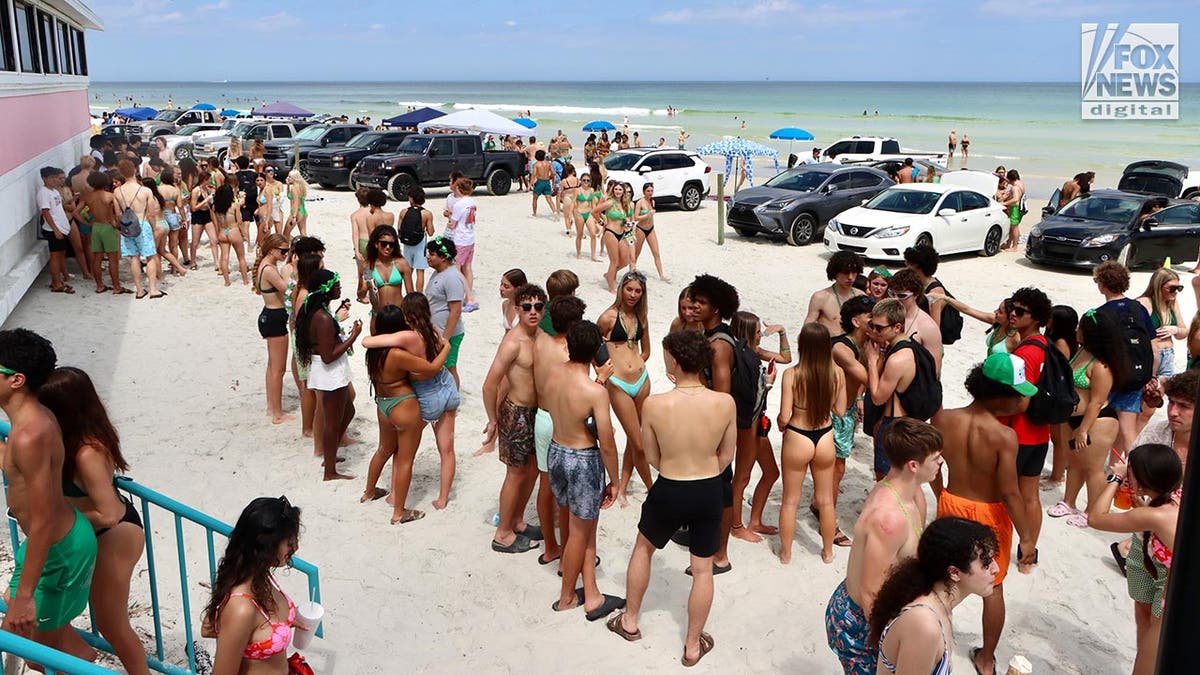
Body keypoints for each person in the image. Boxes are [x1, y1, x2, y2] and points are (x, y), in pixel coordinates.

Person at [606, 330, 735, 666]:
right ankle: (692, 645)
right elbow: (726, 455)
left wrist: (674, 469)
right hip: (709, 487)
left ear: (676, 361)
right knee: (703, 570)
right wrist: (704, 470)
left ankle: (630, 620)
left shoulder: (655, 404)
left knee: (644, 548)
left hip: (671, 484)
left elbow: (649, 455)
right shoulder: (724, 403)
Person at [38, 367, 149, 675]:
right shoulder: (71, 439)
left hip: (114, 533)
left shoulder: (88, 452)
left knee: (113, 623)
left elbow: (109, 512)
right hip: (90, 532)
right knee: (61, 615)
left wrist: (56, 518)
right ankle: (77, 657)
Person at [932, 355, 1039, 675]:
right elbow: (1009, 492)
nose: (1023, 400)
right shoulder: (1003, 437)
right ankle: (986, 659)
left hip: (951, 503)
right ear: (1000, 395)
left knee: (942, 582)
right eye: (1018, 393)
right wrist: (1028, 538)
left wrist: (940, 495)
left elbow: (933, 463)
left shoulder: (943, 418)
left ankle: (935, 644)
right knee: (993, 589)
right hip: (989, 514)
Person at [0, 330, 98, 663]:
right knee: (54, 647)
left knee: (22, 645)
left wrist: (26, 596)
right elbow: (17, 468)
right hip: (56, 542)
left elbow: (42, 520)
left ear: (16, 380)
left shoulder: (30, 434)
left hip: (58, 551)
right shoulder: (29, 419)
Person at [826, 419, 943, 675]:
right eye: (935, 458)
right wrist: (891, 645)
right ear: (913, 465)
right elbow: (870, 593)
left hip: (887, 605)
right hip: (859, 621)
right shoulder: (887, 519)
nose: (941, 462)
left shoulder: (914, 494)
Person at [545, 321, 623, 622]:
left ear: (568, 346)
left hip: (557, 450)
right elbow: (607, 441)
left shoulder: (553, 374)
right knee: (580, 531)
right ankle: (567, 597)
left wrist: (598, 382)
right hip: (582, 459)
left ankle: (591, 593)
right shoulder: (594, 392)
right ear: (595, 354)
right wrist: (615, 481)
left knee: (585, 527)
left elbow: (566, 405)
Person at [1086, 444, 1180, 675]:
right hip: (1167, 580)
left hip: (1172, 593)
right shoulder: (1176, 497)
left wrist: (1116, 477)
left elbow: (1095, 518)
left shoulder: (1154, 516)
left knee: (1149, 659)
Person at [868, 517, 1000, 675]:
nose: (996, 569)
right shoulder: (924, 626)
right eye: (986, 564)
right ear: (954, 573)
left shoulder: (940, 606)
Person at [361, 305, 451, 523]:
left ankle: (369, 492)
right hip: (404, 405)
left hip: (383, 404)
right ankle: (399, 513)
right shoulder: (397, 354)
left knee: (383, 449)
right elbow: (431, 368)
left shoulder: (373, 352)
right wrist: (446, 348)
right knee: (405, 460)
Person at [201, 497, 305, 675]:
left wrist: (283, 624)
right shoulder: (241, 608)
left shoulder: (261, 576)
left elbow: (210, 626)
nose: (295, 547)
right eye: (289, 542)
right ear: (267, 545)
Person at [481, 284, 548, 552]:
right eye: (528, 307)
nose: (533, 312)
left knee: (531, 470)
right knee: (515, 474)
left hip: (536, 412)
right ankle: (503, 533)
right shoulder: (513, 342)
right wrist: (492, 420)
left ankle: (517, 520)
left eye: (538, 306)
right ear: (517, 309)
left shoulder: (541, 336)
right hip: (516, 413)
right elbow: (489, 384)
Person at [1110, 369, 1196, 574]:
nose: (1173, 411)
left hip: (1182, 544)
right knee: (1140, 603)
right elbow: (1134, 471)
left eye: (1184, 406)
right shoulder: (1157, 431)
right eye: (1172, 402)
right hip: (1145, 536)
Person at [1046, 309, 1126, 527]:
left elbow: (1096, 401)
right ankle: (1069, 502)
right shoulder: (1081, 352)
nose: (1077, 331)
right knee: (1073, 463)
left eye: (1081, 328)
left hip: (1097, 421)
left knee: (1093, 468)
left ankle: (1093, 511)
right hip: (1071, 418)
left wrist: (1083, 429)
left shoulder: (1101, 366)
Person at [778, 323, 846, 564]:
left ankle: (786, 554)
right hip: (824, 435)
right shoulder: (837, 373)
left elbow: (785, 417)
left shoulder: (792, 374)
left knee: (790, 500)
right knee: (826, 500)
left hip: (798, 434)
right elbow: (839, 410)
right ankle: (827, 552)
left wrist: (779, 421)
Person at [532, 295, 590, 568]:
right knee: (567, 494)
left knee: (545, 486)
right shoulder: (566, 352)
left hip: (541, 416)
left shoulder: (540, 340)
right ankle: (568, 552)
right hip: (560, 420)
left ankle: (550, 547)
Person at [690, 274, 740, 574]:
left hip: (717, 428)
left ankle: (720, 554)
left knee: (721, 491)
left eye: (702, 302)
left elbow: (722, 395)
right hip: (706, 423)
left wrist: (717, 437)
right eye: (695, 299)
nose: (695, 305)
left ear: (717, 309)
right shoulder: (708, 336)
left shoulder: (719, 345)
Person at [295, 269, 360, 481]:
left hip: (331, 371)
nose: (339, 288)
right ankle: (330, 471)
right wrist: (352, 337)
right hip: (329, 373)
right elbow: (328, 356)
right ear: (325, 289)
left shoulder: (319, 310)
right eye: (336, 285)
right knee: (332, 422)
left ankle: (330, 453)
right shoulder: (322, 317)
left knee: (348, 410)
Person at [597, 272, 654, 507]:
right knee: (639, 442)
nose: (633, 295)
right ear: (621, 289)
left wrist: (637, 363)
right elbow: (595, 349)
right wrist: (606, 373)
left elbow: (647, 350)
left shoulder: (642, 317)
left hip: (642, 380)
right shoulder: (608, 317)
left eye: (637, 291)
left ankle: (623, 483)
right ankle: (653, 490)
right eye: (629, 289)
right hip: (618, 383)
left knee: (635, 437)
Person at [732, 311, 788, 538]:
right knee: (742, 477)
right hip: (747, 423)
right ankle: (736, 526)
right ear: (747, 333)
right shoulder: (742, 357)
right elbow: (746, 392)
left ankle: (755, 521)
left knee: (771, 472)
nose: (761, 335)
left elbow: (786, 358)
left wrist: (782, 332)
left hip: (757, 421)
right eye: (757, 332)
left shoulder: (754, 352)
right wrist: (769, 383)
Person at [1094, 261, 1157, 459]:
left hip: (1112, 378)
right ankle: (1126, 473)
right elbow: (1153, 346)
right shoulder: (1138, 308)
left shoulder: (1100, 314)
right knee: (1128, 431)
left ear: (1102, 285)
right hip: (1136, 377)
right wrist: (1151, 375)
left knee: (1098, 427)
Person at [828, 296, 875, 539]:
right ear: (856, 321)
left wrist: (857, 401)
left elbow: (858, 384)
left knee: (836, 469)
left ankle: (821, 507)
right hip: (832, 415)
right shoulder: (842, 348)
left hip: (847, 413)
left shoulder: (862, 345)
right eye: (871, 318)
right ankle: (829, 522)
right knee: (835, 469)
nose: (876, 322)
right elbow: (867, 378)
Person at [865, 299, 921, 479]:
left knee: (887, 482)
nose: (874, 331)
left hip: (894, 424)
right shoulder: (910, 348)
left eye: (879, 328)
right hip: (905, 422)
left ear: (897, 327)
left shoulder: (898, 359)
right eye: (872, 326)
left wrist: (872, 363)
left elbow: (877, 397)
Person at [253, 234, 294, 425]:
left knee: (271, 367)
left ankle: (271, 407)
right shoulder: (269, 269)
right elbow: (286, 289)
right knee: (278, 369)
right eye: (283, 251)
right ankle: (277, 413)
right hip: (275, 317)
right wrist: (289, 272)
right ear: (272, 250)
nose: (286, 255)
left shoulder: (265, 265)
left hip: (268, 316)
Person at [1137, 268, 1185, 428]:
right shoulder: (1145, 303)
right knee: (1135, 408)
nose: (1176, 292)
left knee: (1149, 409)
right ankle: (1125, 448)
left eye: (1179, 288)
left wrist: (1175, 329)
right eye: (1172, 288)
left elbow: (1184, 331)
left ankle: (1132, 448)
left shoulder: (1172, 303)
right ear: (1158, 286)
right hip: (1150, 358)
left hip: (1167, 358)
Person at [114, 159, 164, 298]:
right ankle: (153, 289)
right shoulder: (145, 190)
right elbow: (151, 213)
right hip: (143, 224)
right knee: (150, 257)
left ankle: (140, 290)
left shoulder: (117, 191)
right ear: (135, 170)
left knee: (134, 258)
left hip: (128, 227)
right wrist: (153, 227)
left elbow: (118, 213)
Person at [423, 237, 467, 387]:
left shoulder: (452, 277)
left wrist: (445, 339)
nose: (428, 256)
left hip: (448, 333)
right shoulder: (439, 273)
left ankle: (453, 396)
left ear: (443, 257)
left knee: (449, 366)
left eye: (432, 254)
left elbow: (455, 311)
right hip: (437, 331)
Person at [886, 268, 942, 373]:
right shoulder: (884, 315)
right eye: (892, 294)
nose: (895, 299)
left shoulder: (928, 327)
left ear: (916, 295)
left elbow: (934, 370)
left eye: (902, 296)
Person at [82, 170, 128, 294]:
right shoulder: (109, 196)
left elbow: (77, 212)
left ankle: (99, 285)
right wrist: (117, 224)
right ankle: (116, 287)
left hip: (96, 226)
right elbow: (118, 214)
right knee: (113, 259)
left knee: (97, 258)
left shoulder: (88, 197)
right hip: (108, 227)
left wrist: (88, 223)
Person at [804, 251, 865, 336]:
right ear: (835, 272)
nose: (850, 277)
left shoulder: (861, 296)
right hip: (829, 345)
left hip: (854, 346)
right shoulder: (820, 298)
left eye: (854, 272)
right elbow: (807, 329)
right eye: (845, 272)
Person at [365, 225, 414, 330]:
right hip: (378, 315)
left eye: (391, 244)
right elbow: (360, 294)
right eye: (384, 244)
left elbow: (410, 294)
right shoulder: (368, 266)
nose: (388, 247)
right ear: (376, 244)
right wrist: (367, 286)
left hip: (398, 314)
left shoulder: (402, 263)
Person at [38, 167, 76, 293]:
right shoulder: (44, 193)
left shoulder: (54, 191)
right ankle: (56, 284)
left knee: (61, 255)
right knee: (55, 256)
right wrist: (56, 230)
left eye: (56, 177)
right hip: (54, 230)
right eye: (52, 178)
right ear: (44, 179)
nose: (55, 180)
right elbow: (46, 212)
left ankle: (58, 280)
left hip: (62, 228)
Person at [445, 177, 479, 312]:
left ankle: (469, 298)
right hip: (470, 237)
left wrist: (449, 219)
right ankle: (468, 296)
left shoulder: (459, 204)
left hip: (461, 239)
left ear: (459, 188)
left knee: (457, 269)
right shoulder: (472, 202)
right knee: (468, 268)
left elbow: (452, 224)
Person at [595, 182, 635, 294]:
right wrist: (601, 222)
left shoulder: (624, 204)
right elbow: (595, 211)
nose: (618, 191)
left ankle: (609, 274)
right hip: (610, 232)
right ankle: (611, 286)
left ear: (623, 192)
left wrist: (628, 224)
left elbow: (628, 219)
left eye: (620, 190)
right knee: (614, 261)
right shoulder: (610, 203)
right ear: (613, 191)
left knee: (625, 260)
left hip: (622, 233)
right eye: (616, 189)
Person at [398, 187, 435, 292]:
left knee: (407, 271)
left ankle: (408, 292)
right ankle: (418, 294)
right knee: (420, 272)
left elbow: (399, 229)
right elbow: (431, 232)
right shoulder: (426, 213)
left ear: (411, 199)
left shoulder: (403, 212)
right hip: (420, 244)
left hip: (407, 244)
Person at [212, 182, 248, 287]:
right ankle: (245, 280)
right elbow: (240, 221)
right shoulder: (234, 206)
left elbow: (216, 223)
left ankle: (227, 282)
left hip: (223, 231)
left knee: (224, 257)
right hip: (233, 230)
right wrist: (244, 234)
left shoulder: (215, 207)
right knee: (241, 257)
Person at [633, 183, 666, 281]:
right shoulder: (640, 203)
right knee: (636, 253)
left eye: (651, 191)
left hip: (651, 229)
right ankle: (632, 270)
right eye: (648, 191)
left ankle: (661, 275)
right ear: (644, 192)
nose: (650, 193)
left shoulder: (653, 202)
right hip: (641, 229)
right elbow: (636, 217)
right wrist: (647, 215)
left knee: (656, 252)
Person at [351, 187, 373, 302]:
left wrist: (356, 250)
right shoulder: (373, 212)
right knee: (371, 269)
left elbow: (355, 234)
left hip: (361, 242)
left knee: (361, 270)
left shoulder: (355, 215)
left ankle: (361, 294)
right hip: (372, 242)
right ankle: (370, 292)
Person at [1001, 169, 1025, 251]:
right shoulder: (1020, 184)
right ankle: (1008, 244)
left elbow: (1015, 199)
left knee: (1014, 227)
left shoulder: (1015, 187)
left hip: (1015, 208)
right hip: (1019, 208)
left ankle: (1015, 247)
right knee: (1012, 227)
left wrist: (1005, 203)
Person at [530, 150, 557, 217]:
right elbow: (553, 173)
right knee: (549, 200)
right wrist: (550, 177)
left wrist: (530, 184)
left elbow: (534, 174)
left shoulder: (536, 164)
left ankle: (534, 213)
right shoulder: (548, 163)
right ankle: (554, 212)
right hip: (547, 182)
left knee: (535, 199)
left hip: (539, 182)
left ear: (536, 157)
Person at [285, 170, 308, 238]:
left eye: (290, 177)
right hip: (303, 211)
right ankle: (306, 247)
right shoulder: (301, 186)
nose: (288, 178)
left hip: (296, 212)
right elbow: (289, 196)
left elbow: (295, 202)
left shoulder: (294, 188)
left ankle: (293, 245)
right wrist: (288, 185)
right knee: (303, 233)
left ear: (294, 178)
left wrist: (294, 216)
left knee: (286, 234)